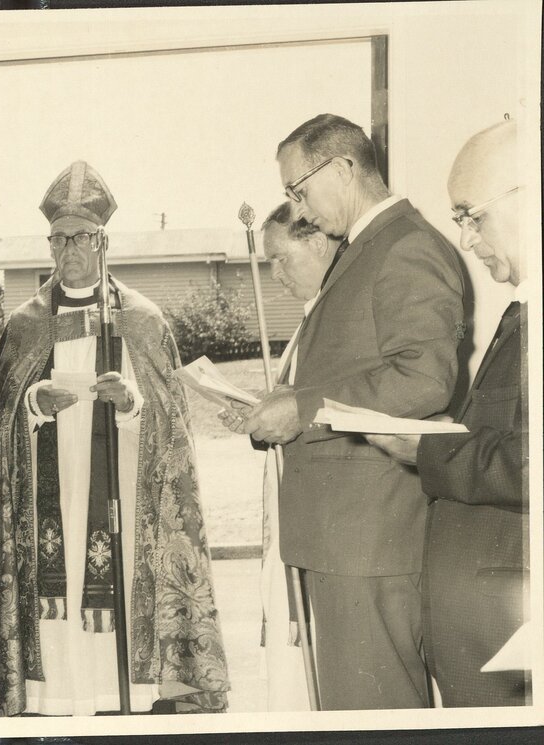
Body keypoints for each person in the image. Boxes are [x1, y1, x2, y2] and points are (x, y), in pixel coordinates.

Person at [0, 161, 229, 717]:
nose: (68, 250)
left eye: (81, 237)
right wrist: (35, 404)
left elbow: (172, 426)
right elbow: (0, 422)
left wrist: (130, 402)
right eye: (58, 239)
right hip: (47, 493)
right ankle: (52, 698)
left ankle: (120, 696)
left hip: (125, 491)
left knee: (122, 581)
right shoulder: (26, 324)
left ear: (102, 241)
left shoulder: (143, 320)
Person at [232, 114, 465, 710]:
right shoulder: (363, 250)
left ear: (343, 167)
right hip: (343, 537)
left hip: (370, 538)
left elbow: (424, 377)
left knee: (375, 713)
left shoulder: (406, 245)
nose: (300, 210)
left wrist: (303, 406)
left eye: (299, 190)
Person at [365, 119, 529, 706]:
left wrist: (431, 448)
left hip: (513, 637)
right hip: (483, 630)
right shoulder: (521, 310)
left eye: (471, 215)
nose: (465, 239)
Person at [224, 202, 341, 711]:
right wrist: (256, 420)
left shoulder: (337, 320)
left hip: (326, 527)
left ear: (317, 243)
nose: (274, 275)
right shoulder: (311, 320)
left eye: (280, 259)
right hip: (291, 517)